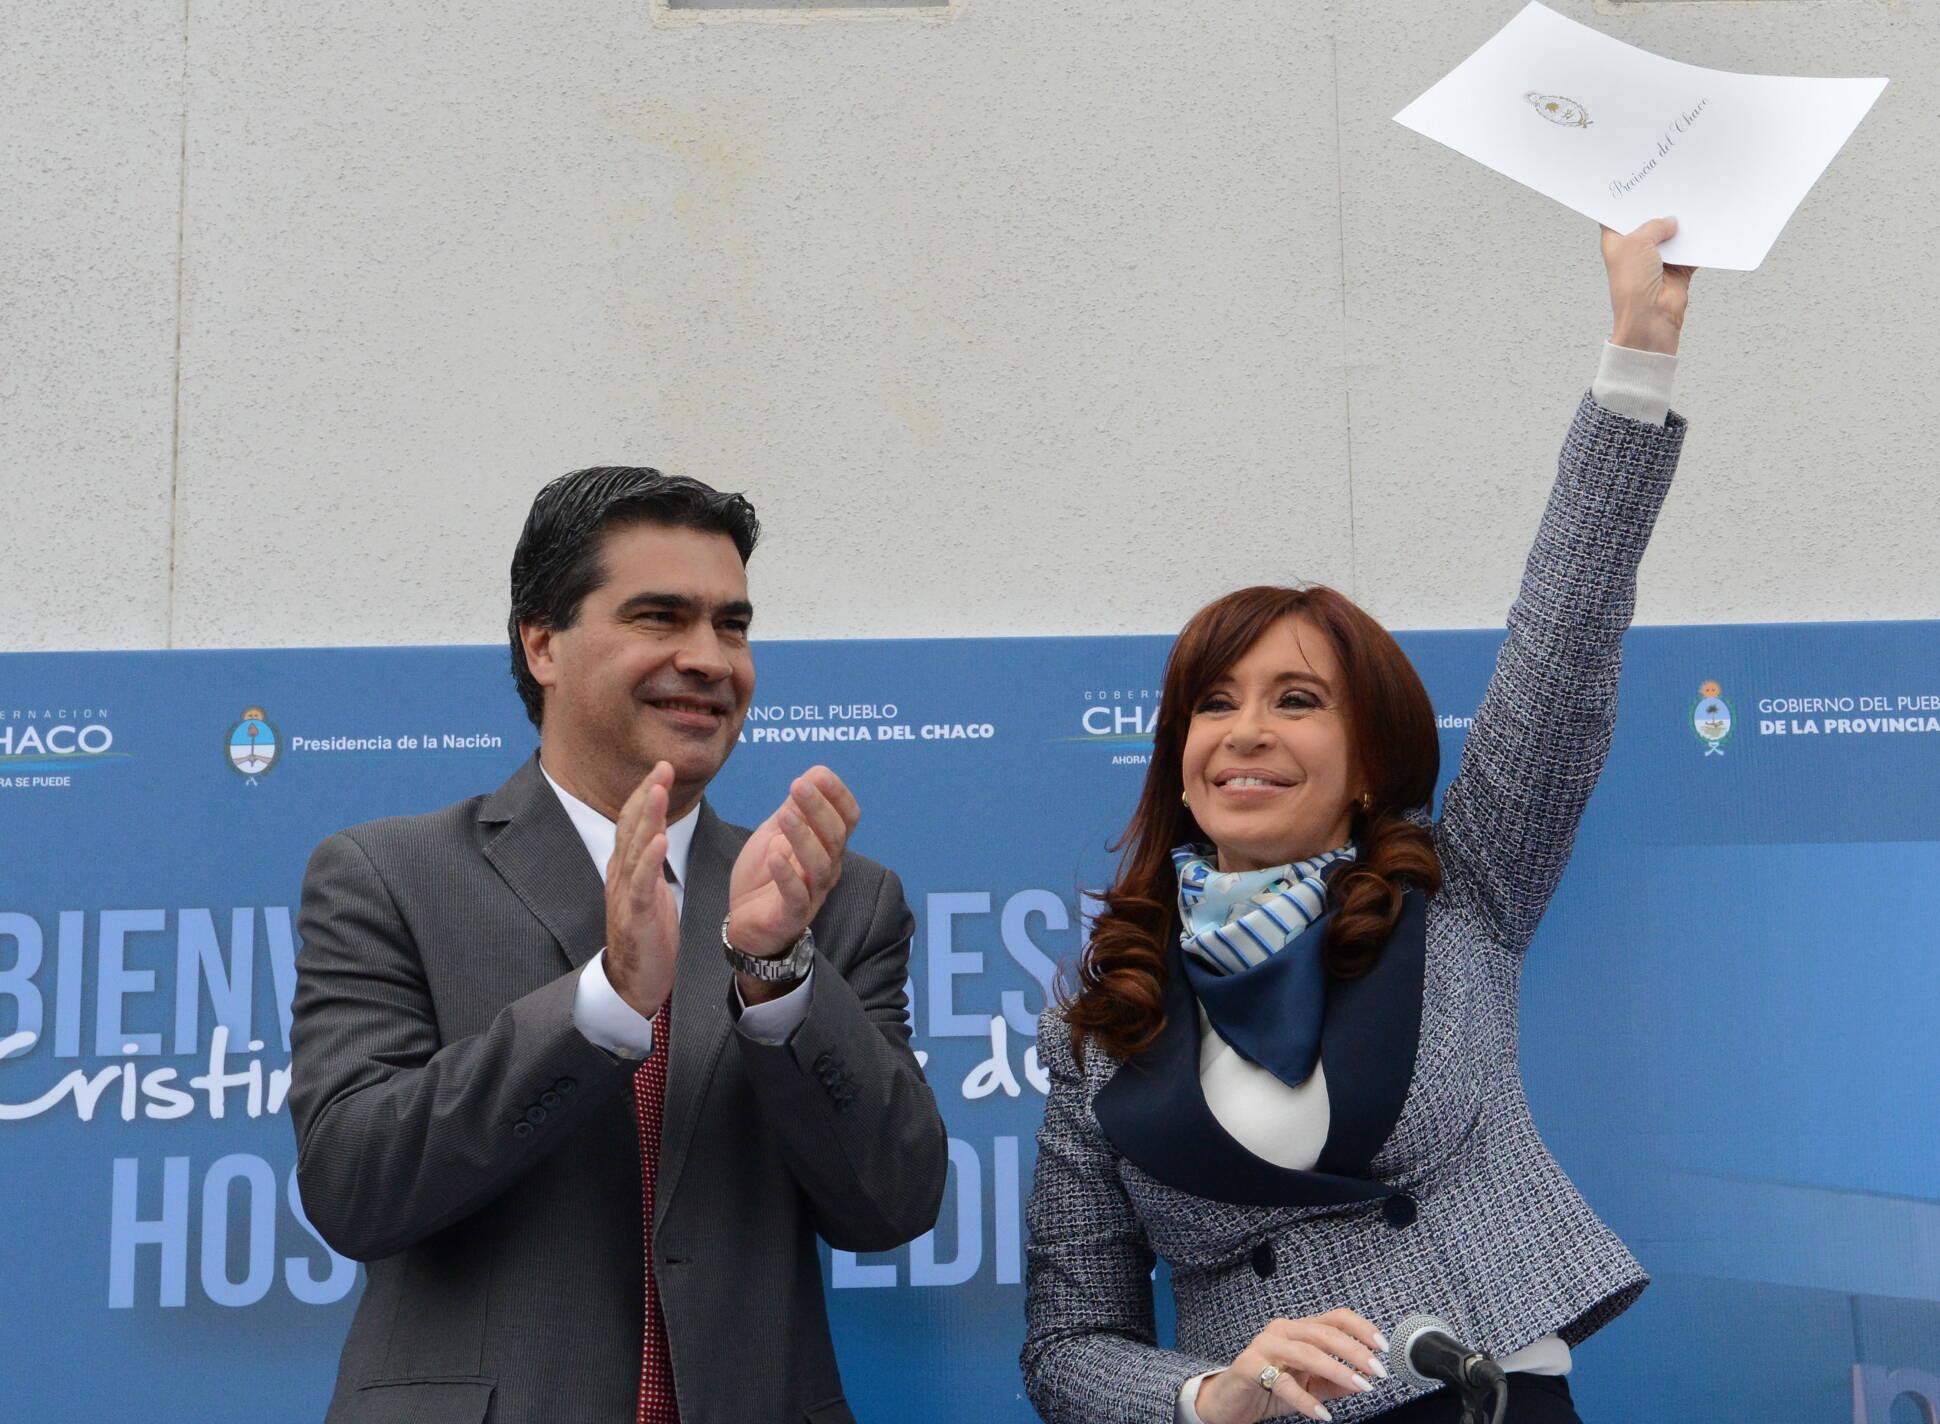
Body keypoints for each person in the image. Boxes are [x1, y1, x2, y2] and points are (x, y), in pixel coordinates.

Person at [1021, 220, 1695, 1424]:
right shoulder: (1101, 1026)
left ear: (1368, 759)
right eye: (1211, 703)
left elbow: (1563, 644)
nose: (1245, 730)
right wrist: (1207, 1392)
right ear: (1177, 761)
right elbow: (1067, 1343)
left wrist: (1634, 359)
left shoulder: (1460, 894)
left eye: (1295, 700)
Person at [289, 469, 948, 1424]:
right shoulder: (388, 874)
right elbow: (355, 1185)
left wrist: (776, 977)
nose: (710, 658)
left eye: (732, 624)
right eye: (661, 617)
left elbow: (894, 1204)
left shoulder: (834, 900)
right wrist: (600, 1006)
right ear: (543, 642)